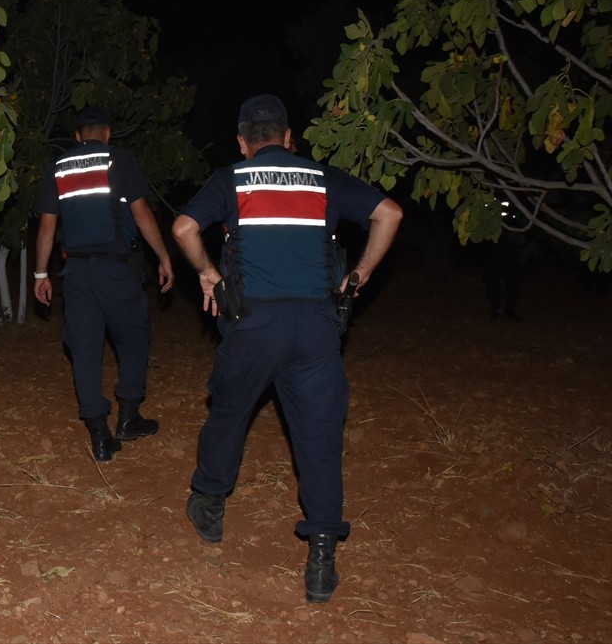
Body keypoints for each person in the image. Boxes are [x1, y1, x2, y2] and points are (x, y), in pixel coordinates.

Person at [171, 94, 403, 604]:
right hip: (317, 327)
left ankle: (209, 506)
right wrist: (357, 276)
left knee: (229, 414)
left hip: (254, 324)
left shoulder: (232, 178)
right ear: (289, 137)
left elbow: (185, 227)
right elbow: (389, 213)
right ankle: (322, 557)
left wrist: (208, 273)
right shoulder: (322, 178)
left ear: (242, 142)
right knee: (319, 438)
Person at [33, 105, 175, 462]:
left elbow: (47, 226)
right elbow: (142, 214)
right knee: (132, 339)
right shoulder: (120, 161)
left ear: (78, 136)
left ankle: (99, 433)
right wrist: (164, 256)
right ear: (108, 133)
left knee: (84, 349)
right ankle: (128, 418)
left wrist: (40, 274)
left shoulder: (59, 167)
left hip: (76, 274)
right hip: (117, 271)